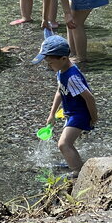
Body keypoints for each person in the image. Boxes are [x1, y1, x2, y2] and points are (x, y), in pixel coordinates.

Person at [33, 35, 98, 178]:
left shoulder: (72, 77)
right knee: (68, 143)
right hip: (71, 112)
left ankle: (78, 172)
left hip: (80, 114)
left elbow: (89, 98)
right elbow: (60, 90)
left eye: (50, 63)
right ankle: (76, 162)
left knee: (63, 144)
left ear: (63, 59)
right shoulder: (61, 70)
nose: (48, 66)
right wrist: (52, 114)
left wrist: (93, 118)